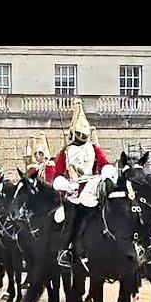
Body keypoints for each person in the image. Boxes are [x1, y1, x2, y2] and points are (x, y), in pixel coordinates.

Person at [52, 99, 115, 268]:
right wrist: (68, 185)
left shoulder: (94, 149)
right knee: (71, 220)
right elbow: (57, 177)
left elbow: (105, 164)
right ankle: (64, 251)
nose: (82, 137)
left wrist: (107, 175)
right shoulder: (65, 152)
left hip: (92, 190)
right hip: (73, 193)